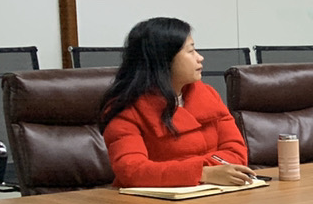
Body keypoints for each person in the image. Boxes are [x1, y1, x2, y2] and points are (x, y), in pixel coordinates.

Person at [100, 17, 255, 189]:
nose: (200, 58)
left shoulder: (208, 95)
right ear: (164, 59)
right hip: (153, 202)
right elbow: (132, 171)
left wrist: (191, 171)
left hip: (213, 194)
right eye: (190, 51)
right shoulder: (126, 108)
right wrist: (203, 173)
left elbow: (237, 153)